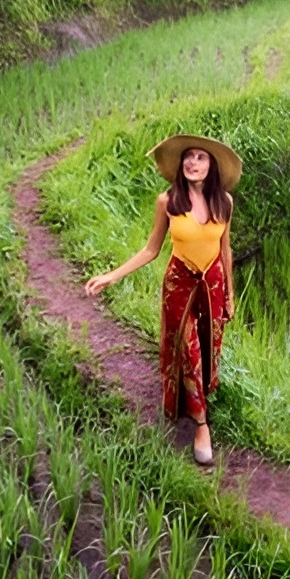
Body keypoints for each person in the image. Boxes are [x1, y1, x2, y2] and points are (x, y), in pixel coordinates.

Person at [84, 134, 241, 465]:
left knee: (208, 348)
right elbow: (151, 249)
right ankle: (201, 425)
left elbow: (224, 249)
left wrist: (229, 293)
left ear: (211, 166)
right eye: (188, 157)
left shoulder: (224, 202)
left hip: (211, 286)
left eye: (200, 157)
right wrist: (112, 275)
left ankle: (195, 399)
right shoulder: (167, 202)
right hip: (179, 285)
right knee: (189, 350)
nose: (192, 163)